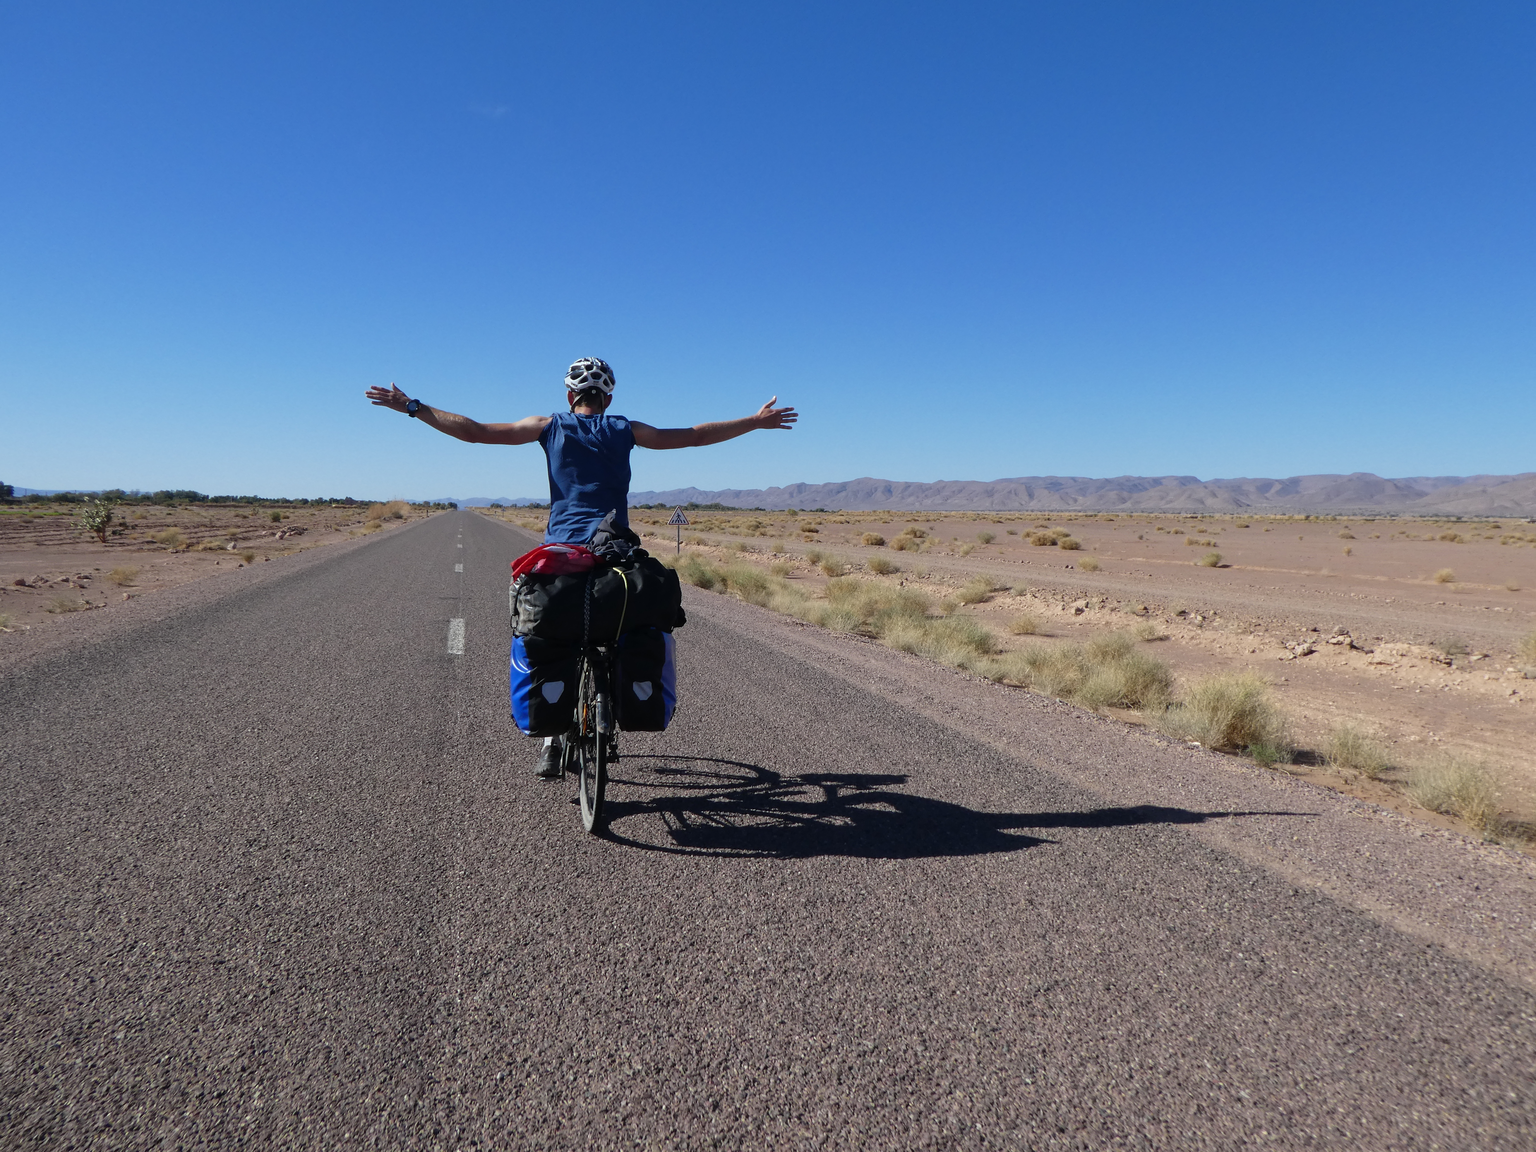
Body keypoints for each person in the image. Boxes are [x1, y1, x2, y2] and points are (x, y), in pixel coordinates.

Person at [365, 357, 797, 775]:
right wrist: (753, 422)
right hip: (616, 551)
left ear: (570, 394)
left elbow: (475, 432)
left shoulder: (547, 426)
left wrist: (412, 407)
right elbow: (694, 435)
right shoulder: (626, 429)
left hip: (564, 554)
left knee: (553, 629)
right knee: (622, 619)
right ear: (606, 399)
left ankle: (553, 740)